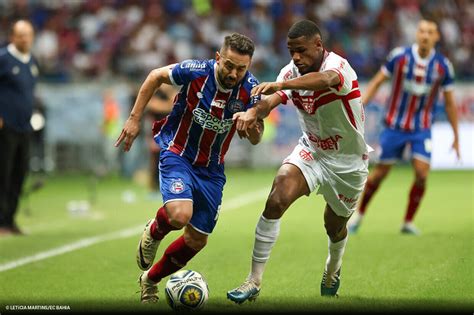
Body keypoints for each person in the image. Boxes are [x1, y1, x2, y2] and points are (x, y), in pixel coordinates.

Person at [227, 20, 370, 302]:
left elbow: (324, 81)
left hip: (348, 162)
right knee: (277, 197)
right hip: (312, 151)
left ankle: (332, 267)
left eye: (301, 51)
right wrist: (254, 114)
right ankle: (253, 281)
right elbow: (271, 101)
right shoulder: (291, 72)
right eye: (291, 51)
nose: (296, 57)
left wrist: (283, 83)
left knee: (335, 226)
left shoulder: (338, 67)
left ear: (319, 45)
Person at [114, 33, 264, 303]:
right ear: (218, 58)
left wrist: (251, 125)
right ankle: (155, 230)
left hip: (212, 170)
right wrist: (135, 119)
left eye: (241, 68)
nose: (234, 73)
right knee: (180, 215)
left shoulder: (251, 91)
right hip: (178, 153)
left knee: (196, 240)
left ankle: (150, 279)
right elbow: (155, 76)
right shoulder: (195, 72)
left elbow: (257, 137)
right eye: (229, 65)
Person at [348, 19, 460, 236]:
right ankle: (359, 215)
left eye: (430, 32)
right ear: (416, 34)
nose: (425, 35)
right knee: (380, 174)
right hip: (394, 125)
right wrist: (359, 107)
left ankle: (408, 222)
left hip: (422, 128)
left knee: (421, 174)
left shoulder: (443, 66)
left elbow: (449, 102)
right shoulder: (399, 57)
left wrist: (456, 136)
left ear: (437, 37)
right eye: (422, 31)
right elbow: (378, 81)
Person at [0, 20, 38, 236]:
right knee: (2, 174)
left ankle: (9, 219)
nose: (25, 39)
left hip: (24, 127)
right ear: (13, 37)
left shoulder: (32, 61)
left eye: (28, 35)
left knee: (18, 173)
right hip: (6, 127)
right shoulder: (4, 58)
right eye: (21, 35)